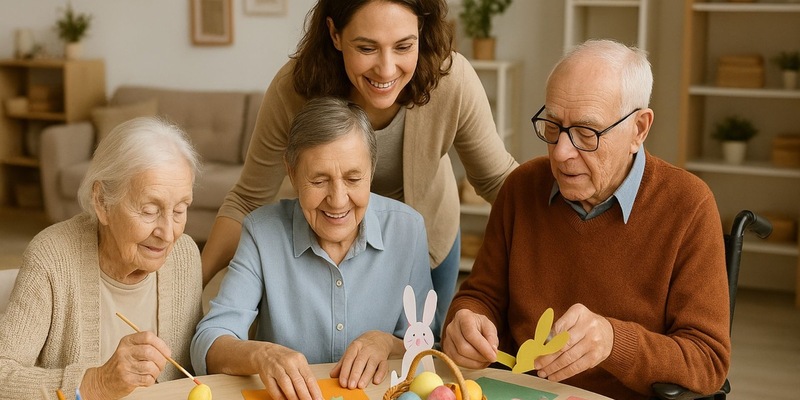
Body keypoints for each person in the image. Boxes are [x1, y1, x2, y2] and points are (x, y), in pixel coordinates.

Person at [200, 0, 519, 341]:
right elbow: (248, 198)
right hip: (325, 242)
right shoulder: (294, 88)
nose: (386, 69)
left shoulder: (451, 80)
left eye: (404, 46)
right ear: (335, 34)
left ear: (421, 31)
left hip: (426, 242)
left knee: (418, 358)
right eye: (366, 48)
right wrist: (191, 290)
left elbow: (501, 181)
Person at [441, 39, 731, 400]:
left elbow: (708, 361)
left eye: (586, 133)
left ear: (639, 129)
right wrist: (465, 319)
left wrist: (614, 342)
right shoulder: (521, 188)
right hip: (516, 391)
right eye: (552, 126)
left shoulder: (689, 205)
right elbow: (481, 294)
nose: (561, 153)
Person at [191, 97, 434, 400]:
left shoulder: (408, 230)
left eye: (353, 178)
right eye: (319, 180)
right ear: (291, 174)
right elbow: (208, 341)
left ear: (371, 170)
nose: (338, 199)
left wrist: (386, 342)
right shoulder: (261, 231)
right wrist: (261, 354)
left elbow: (425, 345)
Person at [0, 117, 203, 399]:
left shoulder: (184, 257)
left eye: (180, 210)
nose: (168, 234)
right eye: (149, 210)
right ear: (102, 202)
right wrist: (94, 384)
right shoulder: (52, 258)